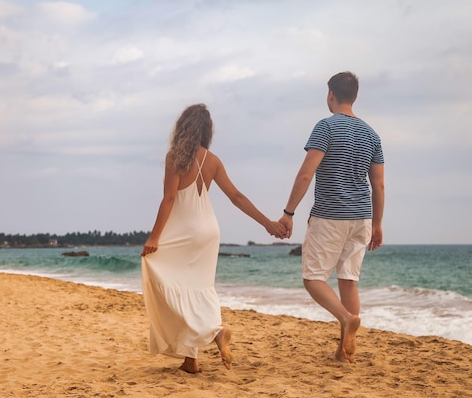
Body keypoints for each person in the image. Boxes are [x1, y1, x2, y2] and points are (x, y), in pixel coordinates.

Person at [141, 103, 286, 374]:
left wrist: (154, 236)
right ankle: (190, 360)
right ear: (206, 131)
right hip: (209, 230)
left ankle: (216, 332)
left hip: (184, 231)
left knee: (167, 280)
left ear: (182, 126)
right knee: (199, 288)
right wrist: (267, 223)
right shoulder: (213, 160)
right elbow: (236, 197)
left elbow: (170, 198)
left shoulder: (174, 157)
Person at [278, 71, 385, 363]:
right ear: (355, 96)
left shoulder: (325, 127)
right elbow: (379, 185)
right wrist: (377, 223)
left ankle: (346, 318)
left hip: (330, 215)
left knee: (313, 278)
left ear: (330, 95)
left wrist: (289, 212)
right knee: (348, 280)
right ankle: (344, 352)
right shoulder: (372, 134)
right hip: (362, 216)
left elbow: (306, 173)